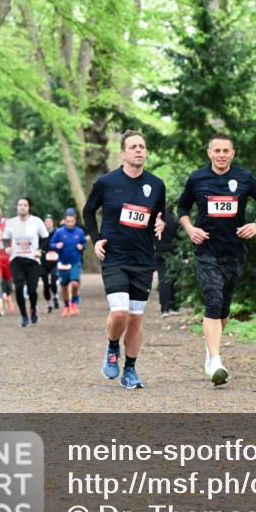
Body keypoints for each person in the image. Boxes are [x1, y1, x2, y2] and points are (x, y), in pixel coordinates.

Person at [177, 133, 256, 386]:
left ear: (233, 153)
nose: (221, 155)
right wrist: (190, 229)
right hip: (206, 250)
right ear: (209, 153)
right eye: (217, 151)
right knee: (213, 299)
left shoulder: (244, 177)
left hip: (235, 251)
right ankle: (215, 359)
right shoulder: (197, 178)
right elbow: (182, 208)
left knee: (224, 307)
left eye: (226, 151)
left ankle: (211, 348)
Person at [83, 130, 166, 390]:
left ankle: (129, 370)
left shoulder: (156, 184)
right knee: (120, 312)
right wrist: (96, 239)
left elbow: (158, 215)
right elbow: (88, 212)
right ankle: (111, 347)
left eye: (142, 146)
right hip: (115, 256)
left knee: (135, 318)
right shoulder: (106, 182)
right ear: (123, 153)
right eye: (133, 147)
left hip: (143, 259)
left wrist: (161, 222)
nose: (139, 150)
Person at [3, 198, 49, 327]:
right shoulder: (11, 222)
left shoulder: (36, 221)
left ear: (29, 207)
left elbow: (45, 238)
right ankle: (24, 316)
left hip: (33, 260)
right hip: (16, 260)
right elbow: (5, 238)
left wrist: (40, 250)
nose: (22, 207)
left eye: (25, 205)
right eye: (20, 205)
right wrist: (6, 247)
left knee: (32, 290)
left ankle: (33, 309)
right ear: (16, 207)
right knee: (18, 287)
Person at [50, 210, 87, 316]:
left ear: (75, 221)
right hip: (63, 263)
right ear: (64, 221)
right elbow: (52, 244)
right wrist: (56, 246)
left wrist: (82, 246)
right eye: (68, 221)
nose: (70, 223)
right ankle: (66, 306)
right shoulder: (59, 232)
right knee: (64, 287)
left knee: (75, 283)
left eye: (72, 221)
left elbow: (84, 243)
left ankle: (74, 302)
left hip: (75, 262)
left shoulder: (79, 232)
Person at [154, 205, 180, 317]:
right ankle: (173, 306)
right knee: (173, 279)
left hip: (159, 252)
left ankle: (164, 309)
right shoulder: (173, 219)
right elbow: (179, 236)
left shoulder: (154, 220)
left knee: (163, 279)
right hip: (173, 253)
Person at [40, 215, 60, 313]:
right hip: (43, 261)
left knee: (53, 281)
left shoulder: (57, 232)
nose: (48, 223)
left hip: (54, 261)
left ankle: (55, 296)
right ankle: (48, 304)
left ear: (53, 223)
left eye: (50, 221)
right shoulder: (40, 233)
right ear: (44, 223)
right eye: (46, 221)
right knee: (45, 284)